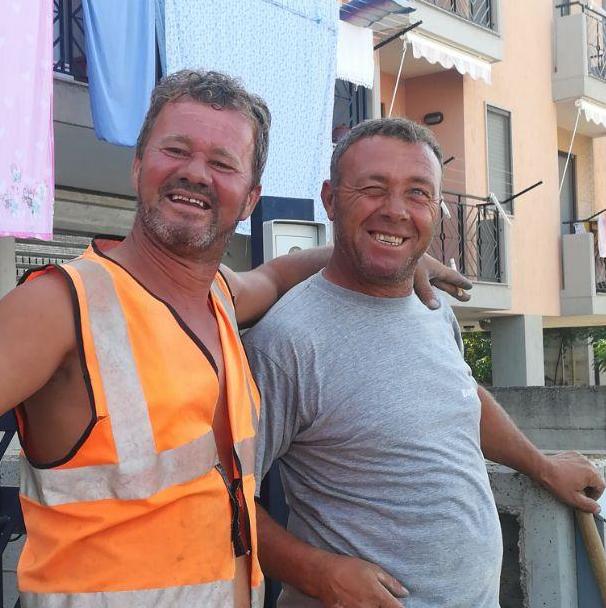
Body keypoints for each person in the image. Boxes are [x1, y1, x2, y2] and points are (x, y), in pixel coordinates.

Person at [0, 72, 469, 608]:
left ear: (250, 199)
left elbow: (278, 273)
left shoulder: (222, 297)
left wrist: (398, 252)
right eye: (176, 150)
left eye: (223, 163)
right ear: (138, 165)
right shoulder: (59, 305)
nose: (195, 173)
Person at [243, 117, 606, 608]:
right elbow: (221, 497)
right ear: (330, 199)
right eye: (373, 188)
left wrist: (542, 466)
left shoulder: (432, 307)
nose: (396, 210)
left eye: (418, 193)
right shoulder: (285, 342)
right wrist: (320, 573)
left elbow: (462, 400)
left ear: (436, 209)